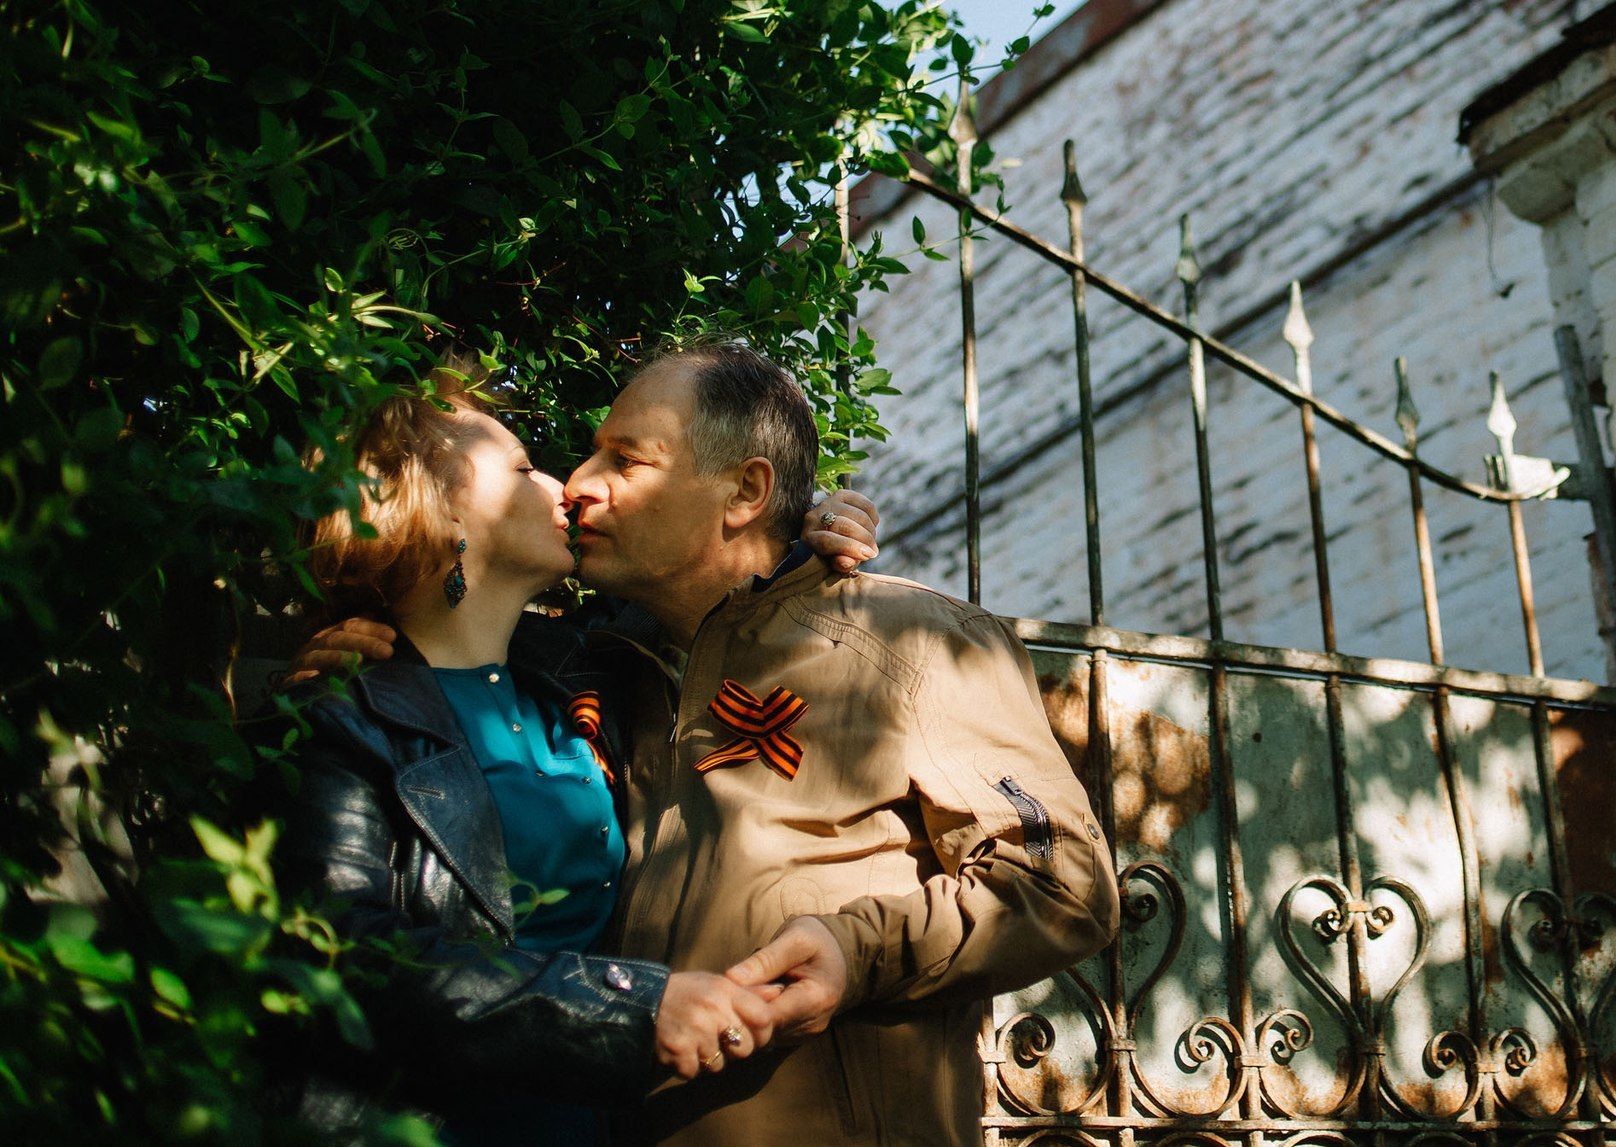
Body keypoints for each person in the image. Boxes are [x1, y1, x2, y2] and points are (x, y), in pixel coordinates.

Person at [304, 341, 1117, 1147]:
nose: (580, 482)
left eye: (626, 458)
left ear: (745, 490)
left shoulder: (908, 641)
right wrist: (366, 659)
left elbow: (1065, 880)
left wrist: (854, 949)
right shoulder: (593, 668)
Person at [279, 373, 786, 1146]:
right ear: (441, 505)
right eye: (521, 467)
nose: (567, 484)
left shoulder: (585, 676)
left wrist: (805, 530)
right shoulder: (344, 716)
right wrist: (630, 1006)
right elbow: (347, 954)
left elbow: (718, 579)